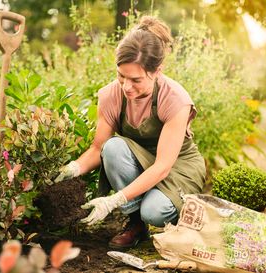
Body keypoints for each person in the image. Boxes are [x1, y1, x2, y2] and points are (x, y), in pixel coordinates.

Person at [54, 16, 206, 249]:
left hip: (177, 166)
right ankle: (135, 224)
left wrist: (116, 199)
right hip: (138, 159)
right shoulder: (111, 96)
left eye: (135, 80)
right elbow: (97, 148)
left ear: (156, 71)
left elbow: (162, 166)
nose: (126, 86)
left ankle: (180, 219)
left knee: (154, 212)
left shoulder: (175, 99)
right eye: (121, 76)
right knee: (112, 147)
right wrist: (73, 168)